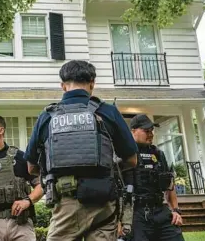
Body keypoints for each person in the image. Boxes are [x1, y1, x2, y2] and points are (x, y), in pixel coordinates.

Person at [24, 60, 138, 241]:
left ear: (63, 86)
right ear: (92, 82)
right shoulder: (107, 112)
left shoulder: (47, 116)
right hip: (103, 201)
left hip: (65, 204)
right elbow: (132, 160)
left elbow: (30, 168)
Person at [119, 114, 184, 241]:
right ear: (133, 131)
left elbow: (170, 185)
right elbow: (115, 190)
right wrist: (118, 221)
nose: (151, 134)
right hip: (135, 214)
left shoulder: (158, 154)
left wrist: (176, 210)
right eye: (146, 131)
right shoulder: (123, 155)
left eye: (151, 131)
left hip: (160, 210)